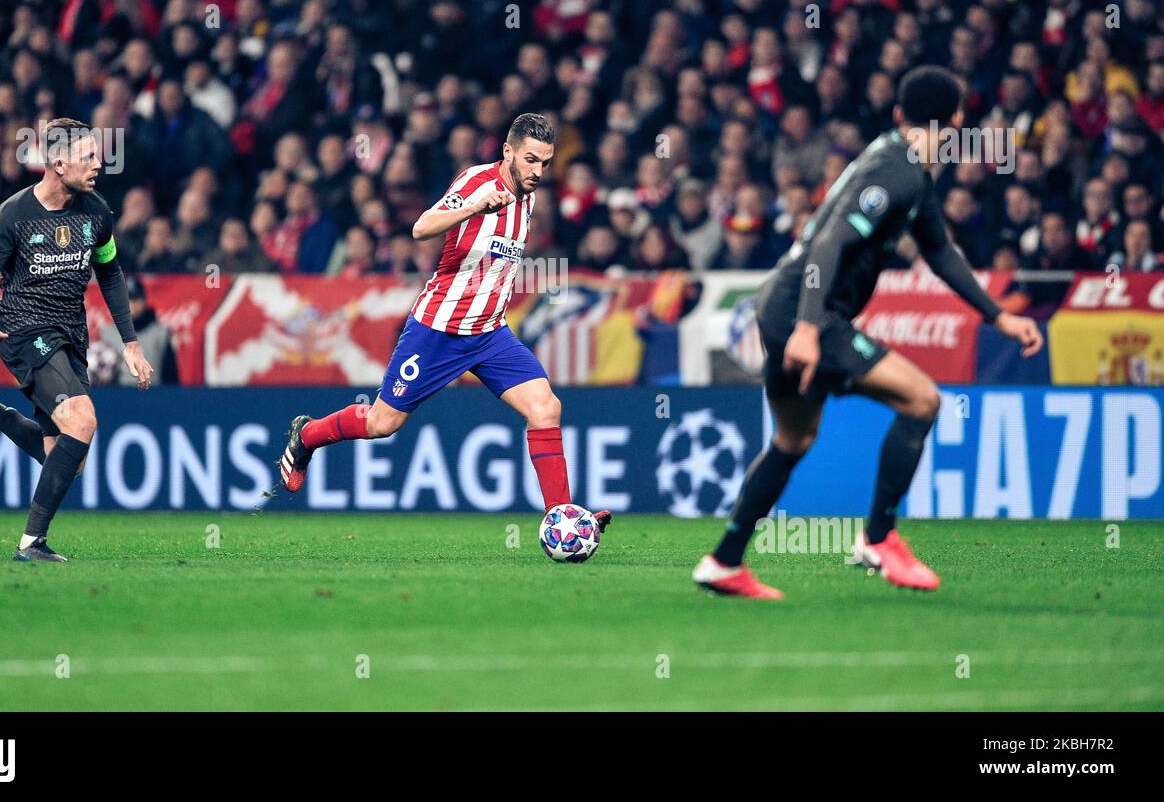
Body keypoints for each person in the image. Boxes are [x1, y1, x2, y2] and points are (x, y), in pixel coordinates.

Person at [692, 67, 1043, 598]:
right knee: (922, 400)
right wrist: (809, 329)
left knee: (793, 438)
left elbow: (939, 250)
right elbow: (831, 242)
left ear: (900, 114)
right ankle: (878, 539)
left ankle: (723, 562)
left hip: (780, 305)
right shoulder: (897, 172)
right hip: (806, 313)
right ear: (957, 120)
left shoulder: (904, 167)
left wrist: (997, 316)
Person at [277, 114, 613, 533]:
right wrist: (474, 206)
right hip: (439, 329)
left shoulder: (527, 194)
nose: (537, 171)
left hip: (489, 333)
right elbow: (421, 228)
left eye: (545, 163)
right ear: (507, 151)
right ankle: (307, 436)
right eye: (530, 160)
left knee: (546, 408)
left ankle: (561, 517)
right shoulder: (475, 183)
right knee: (383, 423)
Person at [0, 118, 153, 563]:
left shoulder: (96, 212)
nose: (97, 164)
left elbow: (109, 272)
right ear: (58, 163)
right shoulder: (13, 216)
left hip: (71, 336)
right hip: (25, 332)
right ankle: (31, 543)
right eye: (87, 157)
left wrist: (130, 342)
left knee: (68, 457)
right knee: (82, 422)